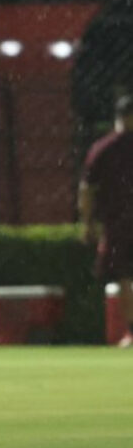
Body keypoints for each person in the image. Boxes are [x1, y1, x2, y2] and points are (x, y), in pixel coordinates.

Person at [80, 95, 133, 348]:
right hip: (119, 222)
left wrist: (87, 223)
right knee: (123, 276)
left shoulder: (104, 148)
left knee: (124, 277)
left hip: (118, 223)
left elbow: (87, 188)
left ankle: (132, 332)